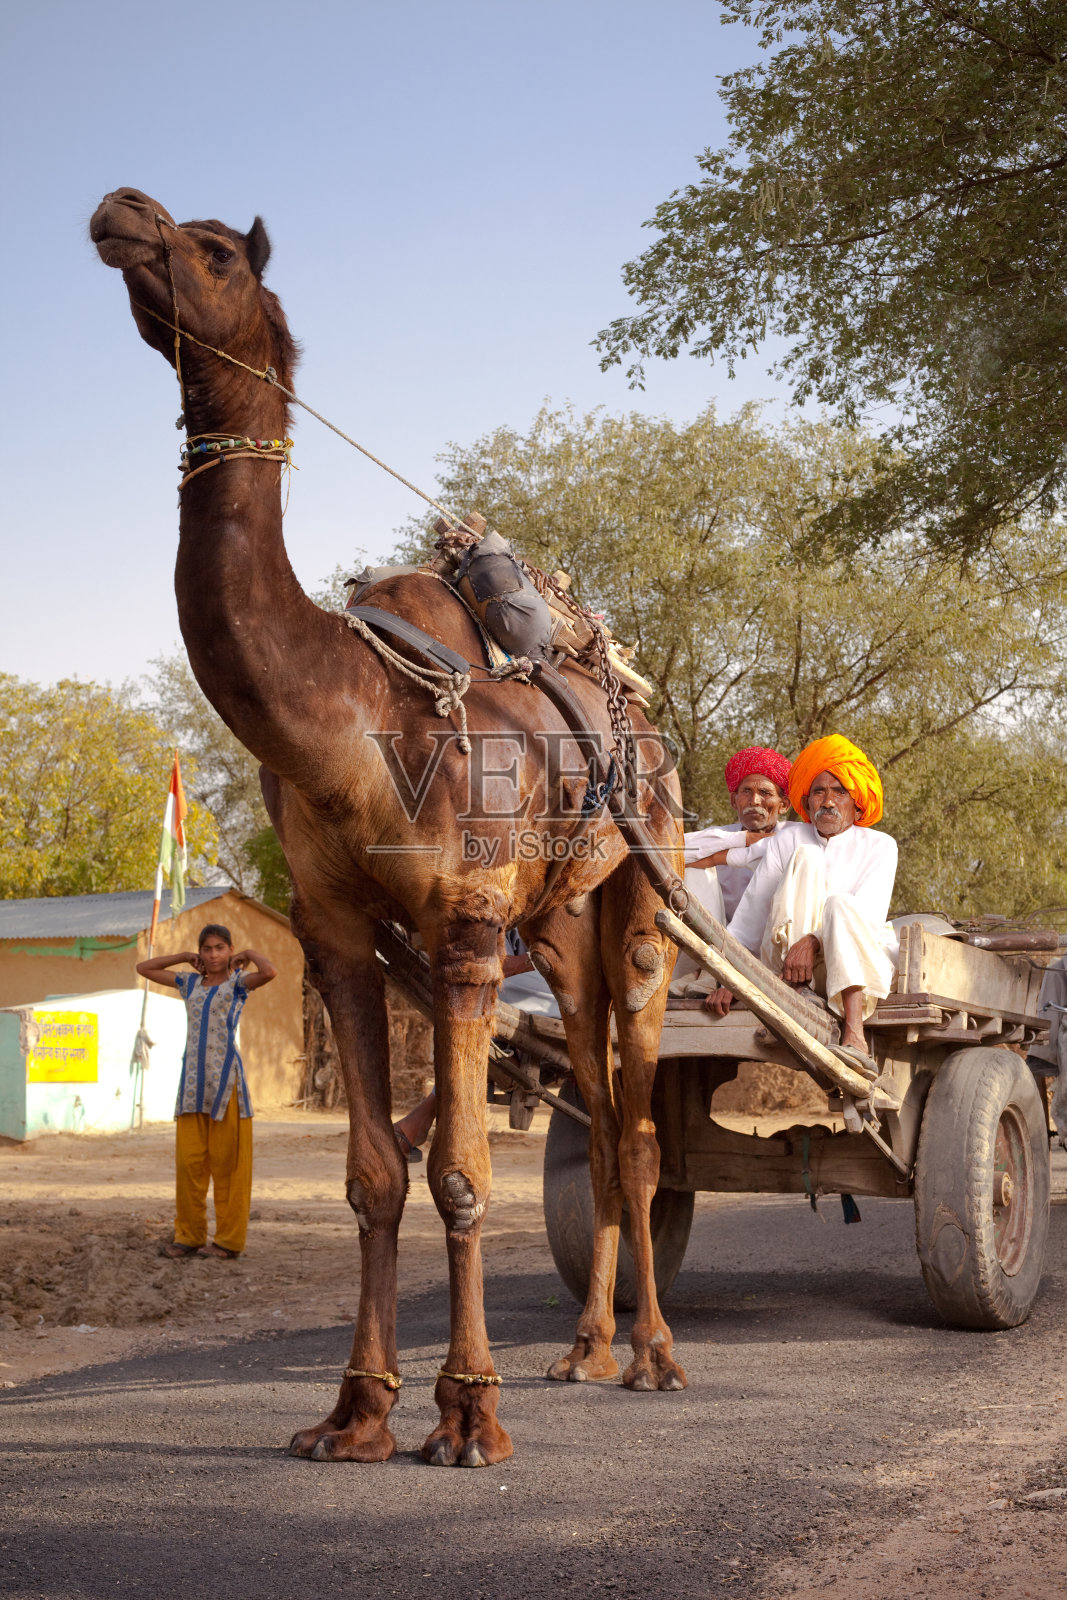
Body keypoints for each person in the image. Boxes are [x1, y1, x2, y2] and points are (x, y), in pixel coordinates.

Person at [706, 735, 897, 1067]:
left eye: (840, 792)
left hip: (846, 967)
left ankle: (855, 1036)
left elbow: (868, 915)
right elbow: (751, 915)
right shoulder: (790, 837)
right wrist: (728, 978)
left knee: (840, 905)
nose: (828, 802)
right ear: (806, 803)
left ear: (858, 803)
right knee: (806, 855)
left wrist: (813, 941)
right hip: (782, 970)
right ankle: (796, 996)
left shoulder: (880, 845)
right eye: (819, 792)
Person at [137, 924, 276, 1259]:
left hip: (227, 1087)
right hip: (192, 1088)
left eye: (220, 948)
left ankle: (228, 1242)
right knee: (189, 1166)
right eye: (206, 948)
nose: (213, 955)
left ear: (229, 950)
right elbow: (144, 968)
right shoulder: (189, 983)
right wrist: (184, 957)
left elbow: (269, 971)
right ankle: (189, 1236)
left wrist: (248, 955)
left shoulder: (238, 984)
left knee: (229, 1167)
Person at [393, 932, 556, 1161]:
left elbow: (500, 966)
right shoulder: (506, 917)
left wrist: (528, 961)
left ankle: (425, 1119)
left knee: (481, 988)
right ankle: (431, 1119)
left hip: (562, 987)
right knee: (470, 990)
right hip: (526, 986)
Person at [670, 746, 792, 997]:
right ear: (733, 800)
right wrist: (742, 839)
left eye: (765, 793)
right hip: (711, 946)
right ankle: (706, 972)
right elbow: (674, 849)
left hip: (767, 952)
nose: (755, 801)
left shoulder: (793, 838)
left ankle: (716, 974)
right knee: (694, 869)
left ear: (783, 805)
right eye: (746, 792)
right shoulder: (724, 836)